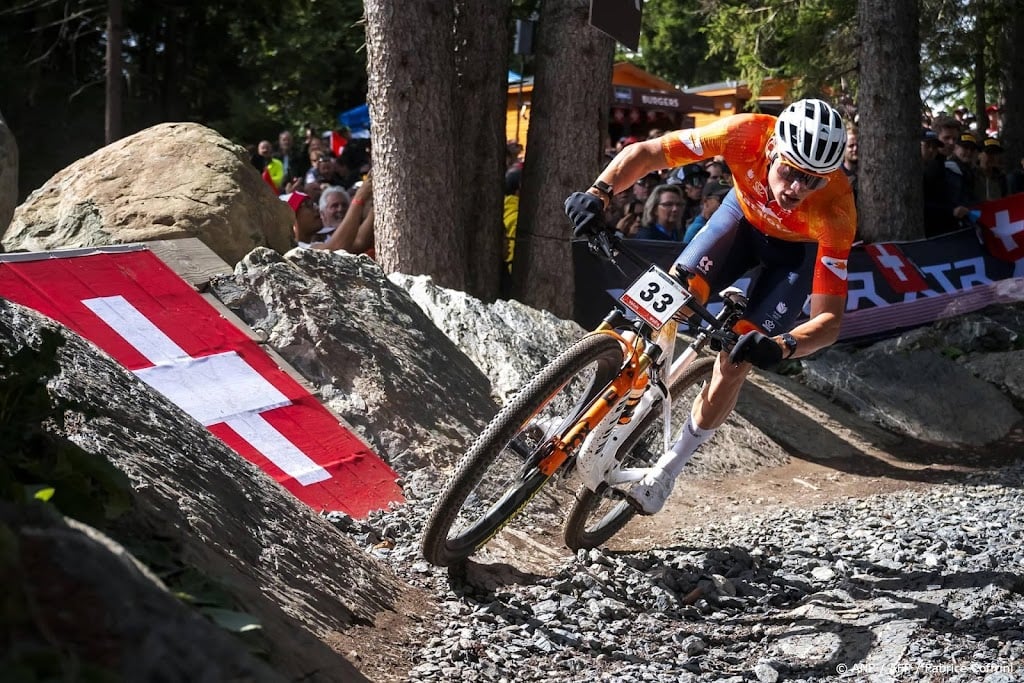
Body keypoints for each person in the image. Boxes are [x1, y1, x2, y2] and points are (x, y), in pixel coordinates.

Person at [565, 98, 855, 515]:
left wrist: (781, 346)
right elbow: (651, 152)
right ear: (772, 148)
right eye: (791, 172)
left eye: (813, 181)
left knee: (735, 360)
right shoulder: (745, 133)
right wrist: (600, 193)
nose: (796, 189)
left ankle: (667, 470)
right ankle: (577, 417)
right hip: (739, 222)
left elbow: (829, 320)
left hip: (792, 258)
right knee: (664, 300)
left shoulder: (837, 209)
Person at [315, 174, 375, 257]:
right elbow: (337, 251)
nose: (340, 209)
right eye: (334, 206)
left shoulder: (358, 229)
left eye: (344, 205)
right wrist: (359, 198)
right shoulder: (315, 238)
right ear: (322, 213)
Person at [682, 178, 732, 245]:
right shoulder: (698, 229)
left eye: (729, 198)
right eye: (722, 199)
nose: (727, 202)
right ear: (705, 201)